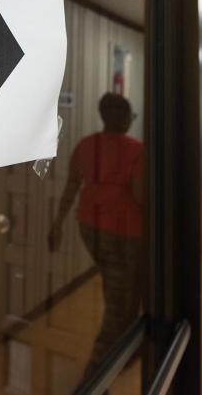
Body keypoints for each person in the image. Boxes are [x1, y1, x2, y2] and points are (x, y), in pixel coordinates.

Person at [48, 93, 143, 374]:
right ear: (124, 118)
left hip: (88, 227)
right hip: (125, 232)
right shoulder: (137, 150)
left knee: (118, 288)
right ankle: (97, 370)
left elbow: (71, 188)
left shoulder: (85, 146)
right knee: (120, 298)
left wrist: (58, 224)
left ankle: (128, 348)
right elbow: (139, 195)